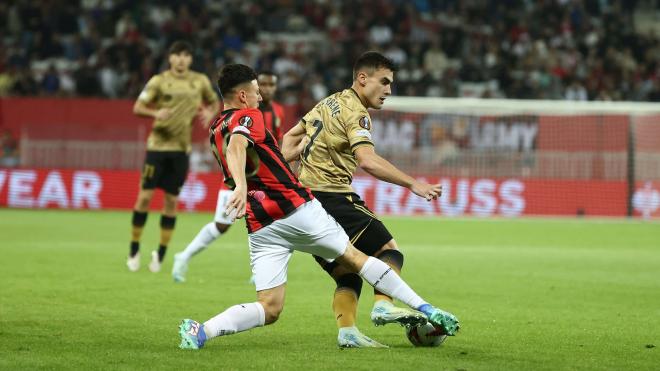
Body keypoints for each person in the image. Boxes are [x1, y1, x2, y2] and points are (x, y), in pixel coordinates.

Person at [178, 64, 459, 350]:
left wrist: (305, 149)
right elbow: (238, 145)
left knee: (270, 307)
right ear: (241, 95)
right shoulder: (249, 115)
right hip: (296, 210)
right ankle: (426, 309)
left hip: (260, 225)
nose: (260, 97)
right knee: (357, 258)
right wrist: (239, 185)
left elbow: (264, 152)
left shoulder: (215, 128)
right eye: (256, 91)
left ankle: (202, 331)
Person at [281, 51, 447, 347]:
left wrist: (292, 158)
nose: (388, 91)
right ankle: (383, 304)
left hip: (304, 203)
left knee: (348, 273)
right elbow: (367, 161)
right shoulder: (358, 112)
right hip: (332, 196)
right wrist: (413, 184)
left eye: (390, 84)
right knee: (389, 251)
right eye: (384, 82)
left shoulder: (326, 103)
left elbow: (290, 138)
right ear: (362, 78)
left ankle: (348, 333)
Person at [171, 71, 286, 283]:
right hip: (240, 179)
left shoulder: (277, 111)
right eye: (264, 85)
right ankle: (184, 256)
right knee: (222, 224)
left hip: (265, 179)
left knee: (274, 220)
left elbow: (275, 144)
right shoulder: (240, 113)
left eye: (272, 85)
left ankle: (263, 271)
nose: (267, 89)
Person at [126, 41, 220, 273]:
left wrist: (210, 110)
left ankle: (160, 253)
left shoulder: (199, 81)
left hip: (180, 150)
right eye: (177, 55)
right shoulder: (158, 81)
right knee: (144, 198)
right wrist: (155, 112)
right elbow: (138, 107)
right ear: (170, 58)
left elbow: (216, 101)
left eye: (185, 55)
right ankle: (134, 249)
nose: (181, 59)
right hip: (157, 147)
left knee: (170, 201)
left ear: (190, 59)